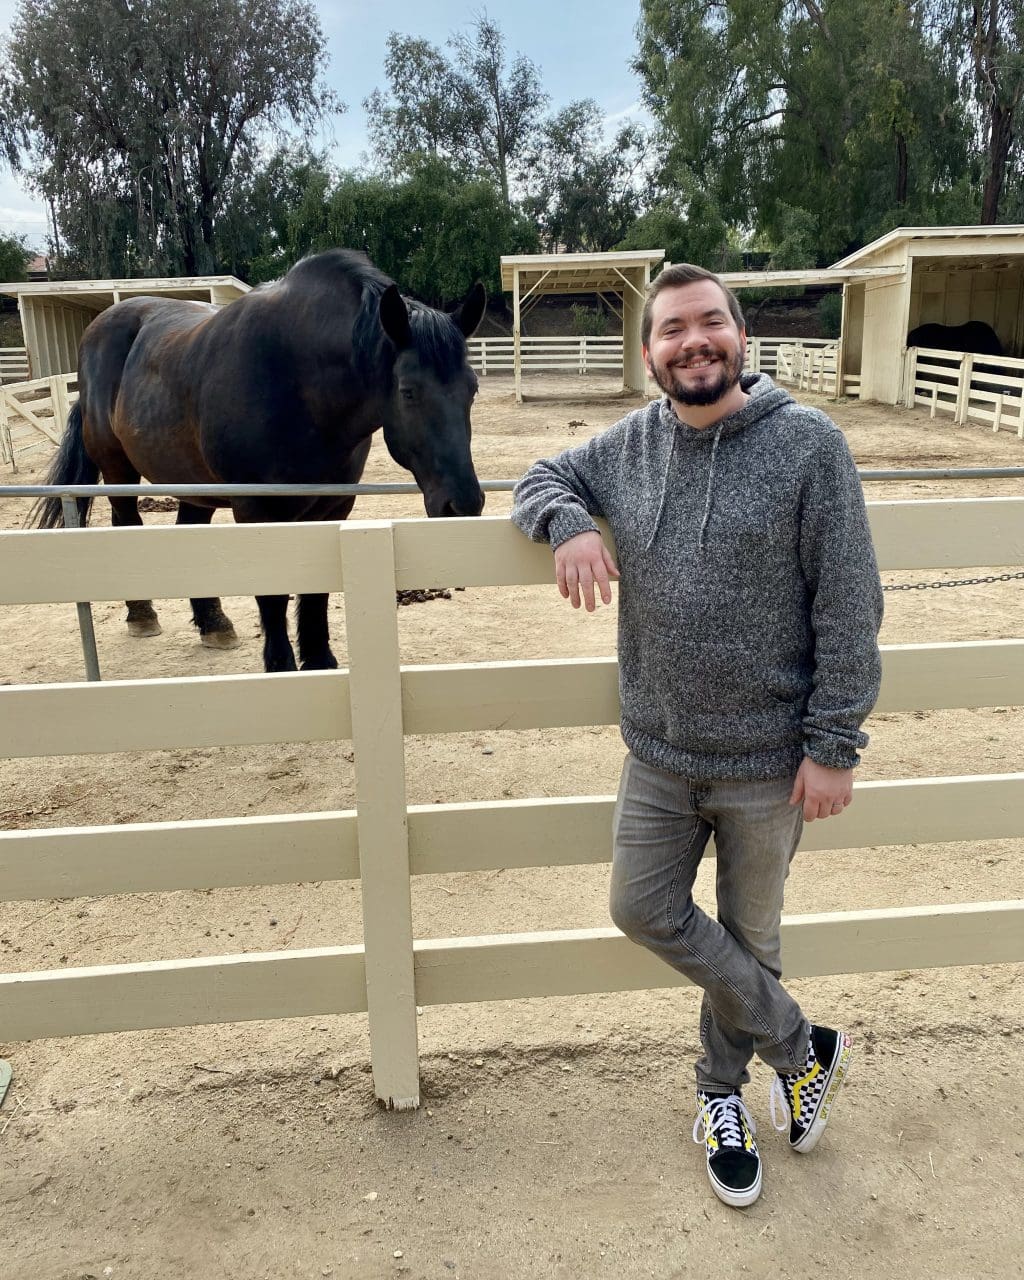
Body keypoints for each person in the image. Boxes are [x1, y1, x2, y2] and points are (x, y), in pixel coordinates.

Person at [511, 263, 883, 1209]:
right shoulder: (632, 444)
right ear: (650, 354)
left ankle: (720, 1094)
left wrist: (833, 744)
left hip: (770, 761)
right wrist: (567, 523)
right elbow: (541, 475)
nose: (693, 342)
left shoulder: (809, 446)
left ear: (741, 338)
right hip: (660, 754)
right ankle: (801, 1047)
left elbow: (849, 603)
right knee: (640, 907)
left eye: (710, 322)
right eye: (672, 329)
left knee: (751, 938)